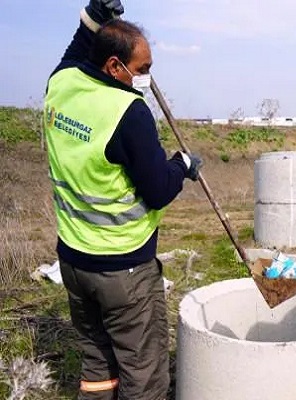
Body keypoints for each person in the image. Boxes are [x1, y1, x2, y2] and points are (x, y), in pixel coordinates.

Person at [43, 1, 202, 399]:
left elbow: (77, 49)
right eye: (143, 69)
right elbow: (159, 190)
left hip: (74, 260)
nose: (146, 77)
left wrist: (94, 14)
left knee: (97, 364)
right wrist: (181, 165)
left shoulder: (60, 85)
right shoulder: (127, 112)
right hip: (123, 270)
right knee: (143, 374)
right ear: (115, 67)